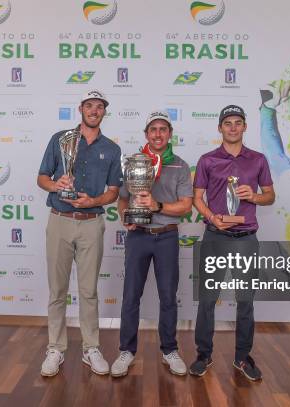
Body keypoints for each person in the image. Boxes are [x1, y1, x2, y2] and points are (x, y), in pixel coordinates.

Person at [37, 90, 122, 377]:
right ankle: (55, 348)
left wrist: (93, 201)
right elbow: (41, 178)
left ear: (104, 112)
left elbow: (112, 192)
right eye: (89, 106)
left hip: (91, 222)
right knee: (57, 290)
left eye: (99, 107)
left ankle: (90, 348)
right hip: (59, 219)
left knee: (88, 291)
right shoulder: (60, 140)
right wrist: (56, 184)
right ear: (80, 109)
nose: (94, 110)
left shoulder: (111, 149)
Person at [190, 105, 275, 380]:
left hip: (246, 238)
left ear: (245, 127)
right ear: (220, 128)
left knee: (245, 301)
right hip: (215, 236)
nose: (233, 127)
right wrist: (212, 217)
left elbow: (270, 196)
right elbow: (197, 199)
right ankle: (204, 354)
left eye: (238, 122)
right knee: (207, 300)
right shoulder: (207, 160)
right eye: (228, 123)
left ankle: (242, 357)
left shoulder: (259, 159)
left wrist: (254, 195)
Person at [110, 111, 193, 377]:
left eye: (163, 129)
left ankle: (169, 350)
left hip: (167, 236)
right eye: (152, 129)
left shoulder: (180, 165)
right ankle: (126, 351)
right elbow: (122, 199)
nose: (158, 134)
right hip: (138, 236)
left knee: (168, 297)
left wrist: (157, 205)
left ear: (170, 134)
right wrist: (125, 216)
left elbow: (185, 206)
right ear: (146, 134)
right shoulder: (135, 162)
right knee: (130, 296)